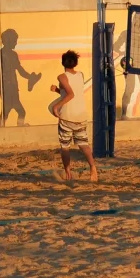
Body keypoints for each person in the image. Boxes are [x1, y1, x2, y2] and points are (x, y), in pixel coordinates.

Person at [48, 49, 98, 182]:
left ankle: (68, 172)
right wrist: (58, 90)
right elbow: (70, 94)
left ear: (62, 62)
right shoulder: (80, 75)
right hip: (81, 115)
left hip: (67, 116)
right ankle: (93, 167)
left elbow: (70, 94)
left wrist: (56, 106)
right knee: (83, 144)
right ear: (75, 63)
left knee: (65, 146)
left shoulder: (61, 77)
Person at [0, 28, 41, 126]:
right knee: (17, 111)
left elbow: (19, 70)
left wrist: (29, 77)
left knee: (10, 110)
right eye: (15, 41)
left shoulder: (12, 54)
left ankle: (3, 126)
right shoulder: (3, 54)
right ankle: (8, 126)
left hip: (11, 86)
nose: (16, 43)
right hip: (7, 87)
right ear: (9, 41)